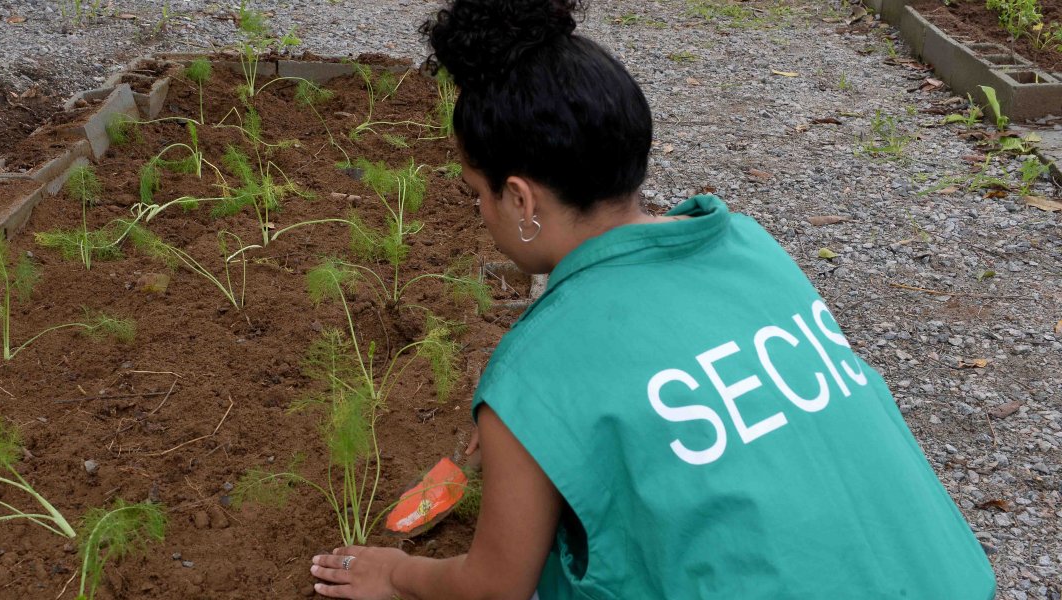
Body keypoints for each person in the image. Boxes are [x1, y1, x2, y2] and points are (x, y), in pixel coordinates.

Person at [310, 0, 998, 598]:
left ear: (518, 198)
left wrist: (396, 574)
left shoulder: (536, 366)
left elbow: (496, 586)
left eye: (475, 194)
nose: (480, 211)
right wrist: (535, 435)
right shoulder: (746, 244)